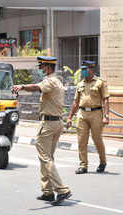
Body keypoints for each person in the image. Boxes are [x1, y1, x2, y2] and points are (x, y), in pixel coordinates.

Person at [11, 56, 71, 206]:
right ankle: (48, 191)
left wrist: (22, 86)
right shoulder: (57, 80)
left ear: (48, 67)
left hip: (49, 124)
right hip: (56, 123)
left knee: (45, 157)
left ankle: (62, 189)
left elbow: (36, 87)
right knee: (47, 157)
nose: (41, 68)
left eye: (42, 66)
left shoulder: (50, 81)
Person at [67, 60, 109, 174]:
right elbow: (75, 102)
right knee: (81, 141)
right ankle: (83, 165)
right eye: (82, 69)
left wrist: (106, 116)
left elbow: (105, 100)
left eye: (85, 69)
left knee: (97, 139)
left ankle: (103, 162)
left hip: (96, 113)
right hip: (82, 113)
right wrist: (70, 117)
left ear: (91, 69)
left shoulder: (100, 82)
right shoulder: (80, 84)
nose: (83, 71)